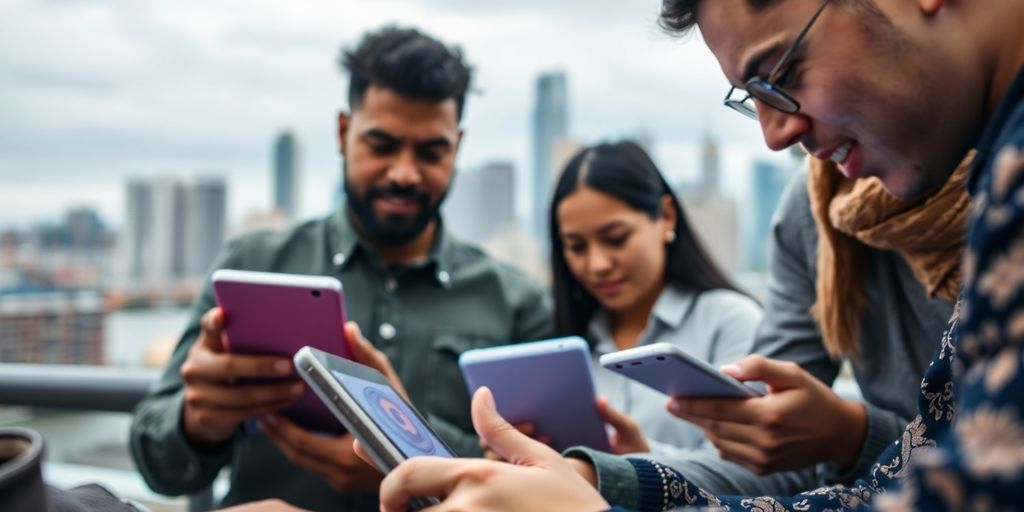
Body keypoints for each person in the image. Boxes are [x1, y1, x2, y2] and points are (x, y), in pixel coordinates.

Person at [369, 0, 1024, 509]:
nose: (775, 137)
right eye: (755, 97)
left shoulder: (1002, 177)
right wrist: (598, 480)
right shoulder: (831, 208)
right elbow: (899, 484)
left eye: (785, 72)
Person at [128, 26, 551, 511]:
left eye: (430, 152)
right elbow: (155, 463)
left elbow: (542, 480)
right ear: (343, 133)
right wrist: (197, 421)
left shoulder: (518, 303)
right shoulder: (253, 264)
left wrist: (408, 456)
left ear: (456, 146)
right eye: (382, 145)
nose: (404, 173)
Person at [568, 150, 973, 499]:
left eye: (784, 72)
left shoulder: (728, 318)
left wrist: (851, 435)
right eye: (576, 246)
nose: (776, 134)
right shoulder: (812, 203)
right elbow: (767, 454)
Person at [548, 141, 761, 455]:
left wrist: (645, 468)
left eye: (616, 238)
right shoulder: (567, 344)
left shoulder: (731, 322)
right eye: (577, 246)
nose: (598, 265)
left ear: (666, 216)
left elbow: (761, 469)